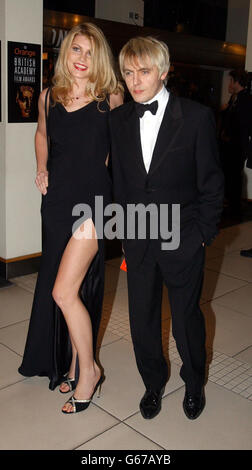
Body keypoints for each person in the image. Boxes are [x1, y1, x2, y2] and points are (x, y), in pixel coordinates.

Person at [109, 36, 224, 420]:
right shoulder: (119, 119)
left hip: (184, 238)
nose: (135, 81)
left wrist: (202, 235)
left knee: (186, 319)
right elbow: (122, 183)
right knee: (142, 321)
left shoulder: (195, 117)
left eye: (143, 71)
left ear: (163, 70)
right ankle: (153, 383)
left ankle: (194, 383)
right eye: (128, 73)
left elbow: (212, 183)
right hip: (138, 240)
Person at [18, 22, 123, 414]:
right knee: (63, 285)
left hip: (93, 206)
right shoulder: (49, 98)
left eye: (90, 52)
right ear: (67, 53)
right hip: (57, 202)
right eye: (76, 49)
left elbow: (122, 148)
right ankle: (74, 364)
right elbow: (41, 135)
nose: (82, 58)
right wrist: (41, 167)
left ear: (100, 59)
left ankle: (89, 372)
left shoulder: (109, 97)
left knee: (65, 290)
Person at [219, 68, 252, 216]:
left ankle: (234, 207)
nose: (229, 83)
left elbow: (243, 124)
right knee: (230, 174)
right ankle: (230, 203)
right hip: (231, 144)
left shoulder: (245, 99)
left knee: (234, 176)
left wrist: (230, 137)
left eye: (231, 80)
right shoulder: (235, 98)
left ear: (237, 82)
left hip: (237, 145)